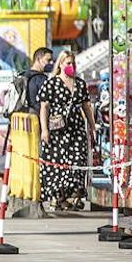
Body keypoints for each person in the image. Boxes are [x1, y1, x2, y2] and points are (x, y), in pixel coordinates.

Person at [38, 50, 96, 212]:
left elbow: (86, 106)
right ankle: (59, 198)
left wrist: (92, 126)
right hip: (57, 130)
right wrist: (44, 130)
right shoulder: (52, 83)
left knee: (78, 161)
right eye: (68, 63)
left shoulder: (80, 83)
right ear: (61, 64)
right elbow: (44, 107)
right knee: (58, 165)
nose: (71, 66)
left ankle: (72, 195)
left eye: (73, 63)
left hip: (76, 128)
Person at [26, 47, 54, 114]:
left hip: (22, 119)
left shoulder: (24, 75)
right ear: (38, 59)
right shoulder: (41, 79)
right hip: (37, 118)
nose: (51, 63)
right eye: (48, 60)